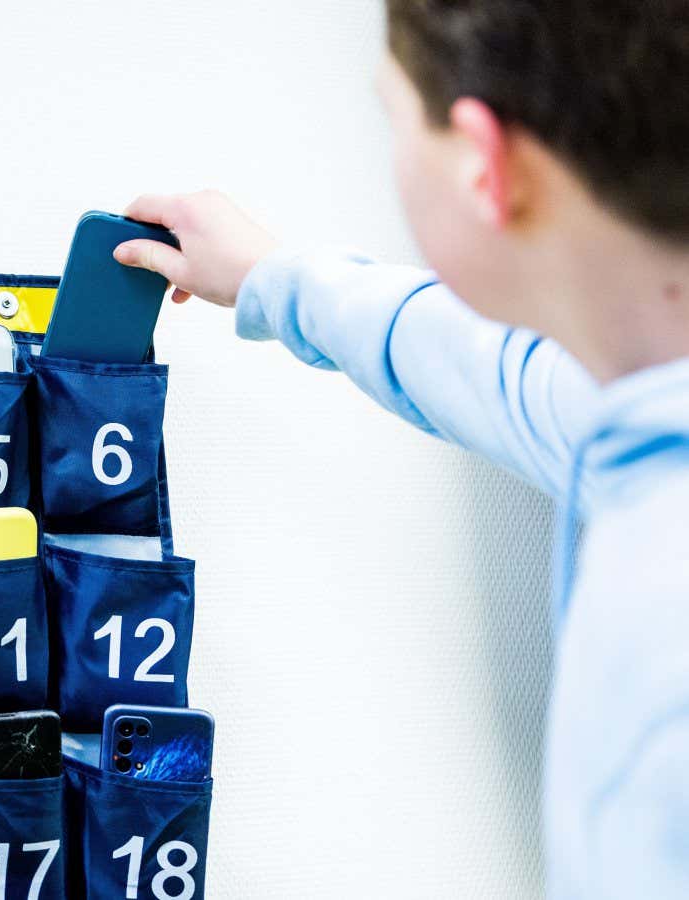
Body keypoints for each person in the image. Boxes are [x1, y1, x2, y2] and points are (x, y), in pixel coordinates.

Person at [113, 1, 689, 896]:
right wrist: (275, 277)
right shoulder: (633, 402)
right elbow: (493, 368)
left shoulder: (662, 662)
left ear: (484, 167)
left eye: (395, 117)